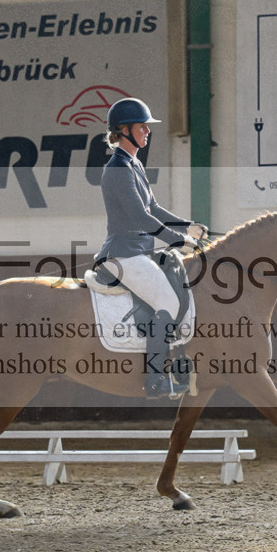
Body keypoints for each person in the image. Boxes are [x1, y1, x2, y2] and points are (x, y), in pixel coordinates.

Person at [94, 97, 208, 400]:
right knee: (167, 303)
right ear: (123, 130)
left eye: (147, 127)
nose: (147, 131)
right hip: (123, 254)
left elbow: (153, 207)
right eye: (142, 127)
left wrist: (188, 226)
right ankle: (156, 379)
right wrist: (176, 240)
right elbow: (138, 217)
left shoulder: (135, 164)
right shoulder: (117, 168)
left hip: (139, 251)